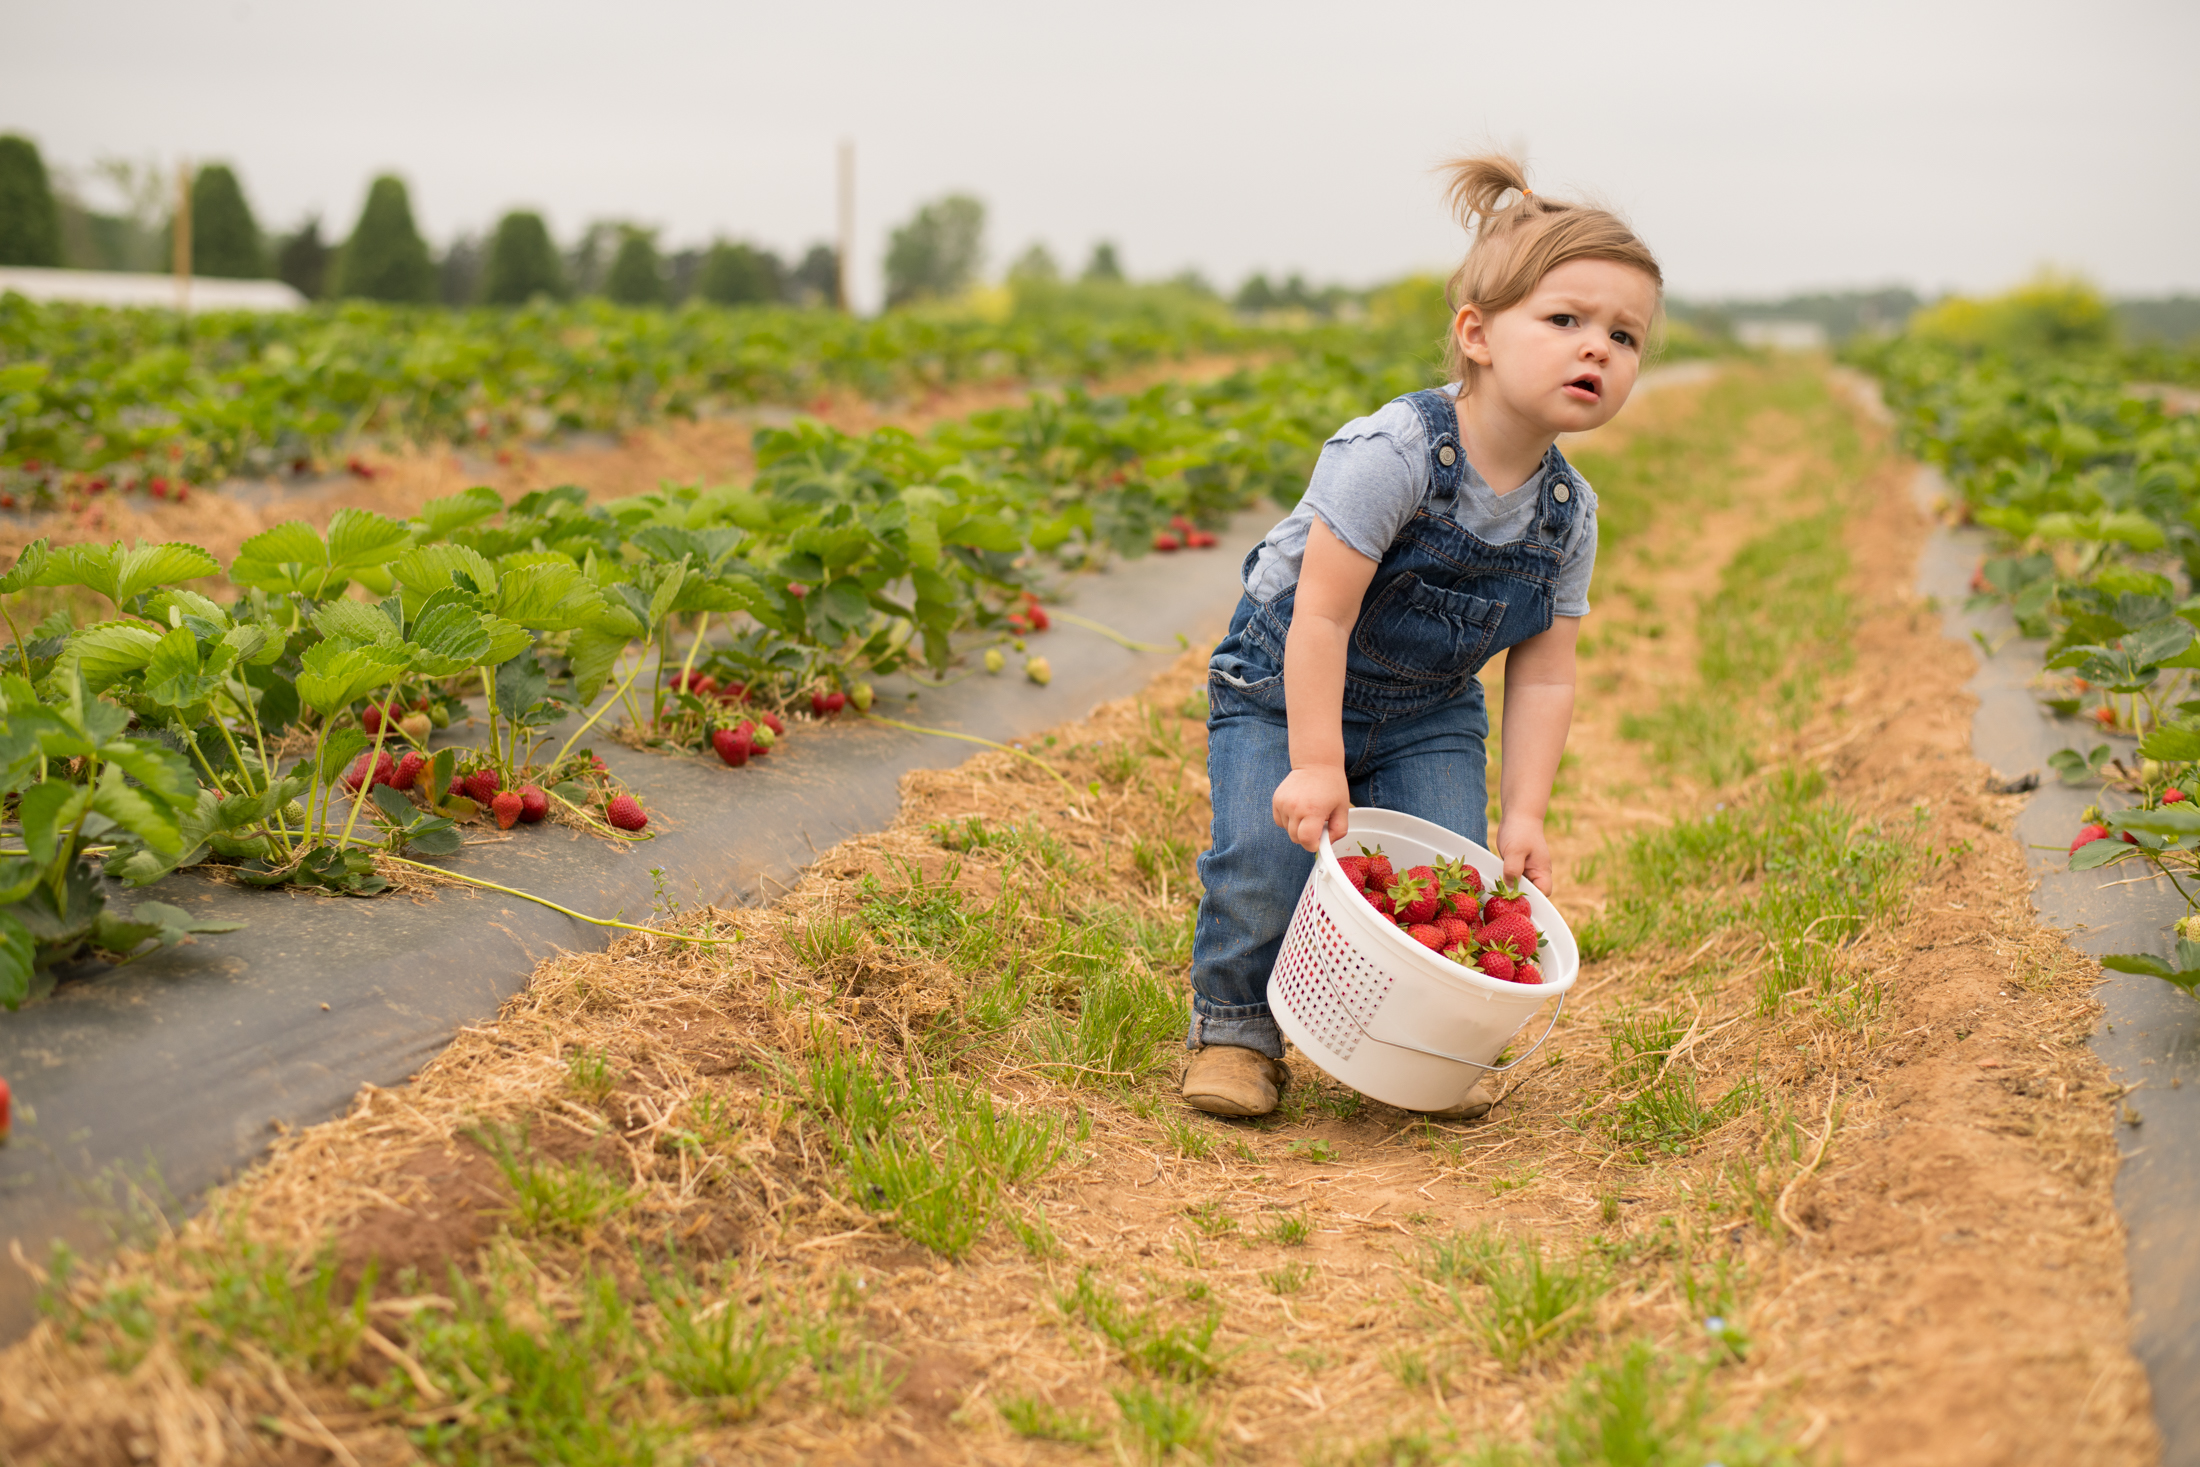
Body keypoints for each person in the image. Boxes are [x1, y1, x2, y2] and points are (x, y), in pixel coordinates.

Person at [1181, 154, 1662, 1119]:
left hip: (1430, 708)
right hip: (1286, 681)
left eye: (1624, 335)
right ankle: (1235, 1029)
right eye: (1564, 320)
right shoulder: (1394, 452)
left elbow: (1544, 677)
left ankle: (1415, 1044)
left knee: (1441, 876)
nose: (1597, 349)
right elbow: (1320, 614)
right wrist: (1318, 763)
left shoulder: (1568, 514)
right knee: (1263, 864)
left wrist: (1523, 813)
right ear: (1476, 336)